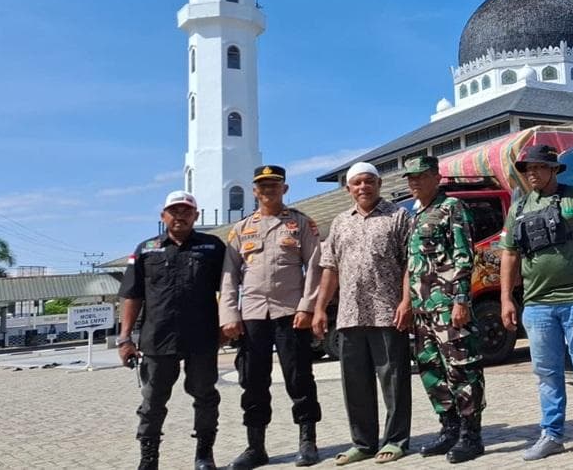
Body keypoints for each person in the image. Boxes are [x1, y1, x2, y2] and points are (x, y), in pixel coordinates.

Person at [498, 144, 573, 462]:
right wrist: (506, 298)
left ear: (553, 169)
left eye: (538, 167)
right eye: (527, 169)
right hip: (536, 305)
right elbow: (509, 254)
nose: (532, 173)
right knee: (546, 373)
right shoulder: (519, 207)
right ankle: (552, 435)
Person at [220, 165, 324, 468]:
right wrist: (229, 314)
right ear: (255, 191)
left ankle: (307, 441)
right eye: (262, 186)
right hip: (252, 315)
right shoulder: (240, 230)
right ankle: (255, 446)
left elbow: (314, 268)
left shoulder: (300, 224)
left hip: (290, 313)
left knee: (299, 376)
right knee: (252, 380)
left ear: (285, 189)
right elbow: (229, 276)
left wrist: (307, 306)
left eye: (274, 185)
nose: (268, 190)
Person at [312, 162, 413, 465]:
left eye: (369, 181)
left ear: (379, 184)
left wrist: (406, 301)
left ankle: (396, 440)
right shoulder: (341, 222)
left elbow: (410, 262)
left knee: (393, 379)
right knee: (355, 383)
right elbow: (330, 268)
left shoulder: (398, 216)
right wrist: (319, 308)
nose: (363, 187)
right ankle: (363, 443)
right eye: (357, 183)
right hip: (349, 315)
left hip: (387, 312)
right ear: (348, 189)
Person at [118, 190, 226, 470]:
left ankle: (204, 454)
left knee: (205, 395)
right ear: (163, 216)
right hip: (157, 337)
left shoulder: (213, 247)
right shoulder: (145, 249)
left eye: (186, 211)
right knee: (152, 402)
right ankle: (149, 458)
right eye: (174, 211)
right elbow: (132, 295)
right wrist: (124, 338)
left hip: (201, 337)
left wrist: (227, 324)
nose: (180, 215)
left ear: (196, 215)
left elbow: (229, 289)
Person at [396, 156, 486, 463]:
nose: (414, 182)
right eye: (410, 178)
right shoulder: (415, 214)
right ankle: (449, 429)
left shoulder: (452, 208)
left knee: (462, 368)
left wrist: (462, 300)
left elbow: (464, 258)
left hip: (448, 307)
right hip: (423, 311)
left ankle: (471, 435)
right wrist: (408, 303)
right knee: (432, 371)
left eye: (420, 176)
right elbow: (413, 264)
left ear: (436, 177)